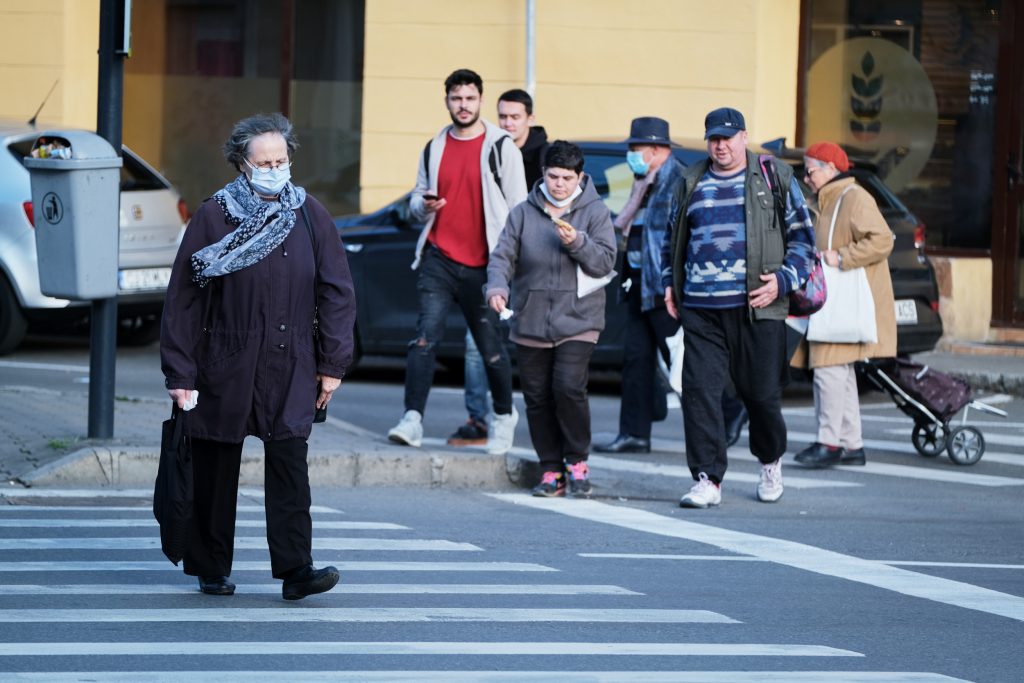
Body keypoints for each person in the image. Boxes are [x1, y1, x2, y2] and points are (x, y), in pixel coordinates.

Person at [160, 112, 357, 599]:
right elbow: (184, 297)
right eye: (263, 161)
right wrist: (180, 371)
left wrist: (333, 364)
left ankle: (297, 571)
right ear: (241, 165)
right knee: (216, 463)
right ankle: (210, 565)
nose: (274, 168)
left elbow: (337, 292)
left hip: (292, 362)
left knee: (290, 462)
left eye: (281, 159)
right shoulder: (215, 214)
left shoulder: (310, 213)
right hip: (225, 358)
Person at [662, 107, 816, 507]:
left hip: (758, 307)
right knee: (698, 392)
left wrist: (782, 281)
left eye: (728, 138)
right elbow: (671, 238)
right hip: (701, 308)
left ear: (744, 138)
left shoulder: (773, 176)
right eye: (714, 138)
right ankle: (707, 479)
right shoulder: (690, 179)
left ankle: (769, 459)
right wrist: (668, 284)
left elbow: (803, 239)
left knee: (761, 395)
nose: (720, 145)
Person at [387, 68, 527, 454]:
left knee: (490, 347)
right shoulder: (434, 146)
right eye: (455, 98)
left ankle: (502, 416)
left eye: (469, 98)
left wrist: (510, 265)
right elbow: (416, 199)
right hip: (439, 256)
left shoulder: (501, 147)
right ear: (446, 100)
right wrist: (423, 205)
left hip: (486, 263)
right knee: (424, 338)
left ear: (480, 100)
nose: (462, 106)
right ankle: (411, 419)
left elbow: (518, 209)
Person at [595, 116, 749, 455]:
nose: (631, 155)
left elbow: (678, 235)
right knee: (636, 359)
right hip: (638, 281)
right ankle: (634, 432)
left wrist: (675, 283)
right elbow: (627, 224)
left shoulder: (677, 179)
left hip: (665, 286)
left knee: (686, 358)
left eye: (636, 149)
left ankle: (732, 407)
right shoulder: (641, 180)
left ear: (655, 149)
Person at [487, 141, 616, 497]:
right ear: (543, 174)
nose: (559, 184)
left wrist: (578, 242)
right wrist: (497, 288)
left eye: (567, 178)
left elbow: (605, 261)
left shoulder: (595, 211)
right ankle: (550, 470)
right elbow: (502, 257)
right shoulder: (523, 212)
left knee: (568, 388)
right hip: (530, 319)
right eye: (553, 176)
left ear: (580, 177)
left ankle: (577, 461)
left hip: (579, 319)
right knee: (537, 397)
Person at [449, 88, 548, 447]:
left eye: (515, 118)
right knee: (478, 341)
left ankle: (538, 419)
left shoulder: (543, 158)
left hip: (535, 263)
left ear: (529, 119)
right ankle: (479, 418)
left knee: (537, 342)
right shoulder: (487, 147)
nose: (507, 123)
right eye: (502, 117)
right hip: (494, 261)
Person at [793, 142, 896, 468]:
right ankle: (852, 445)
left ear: (830, 168)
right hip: (835, 303)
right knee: (840, 372)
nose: (806, 178)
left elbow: (882, 239)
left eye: (810, 171)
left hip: (845, 303)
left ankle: (829, 442)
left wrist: (842, 257)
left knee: (828, 371)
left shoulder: (853, 197)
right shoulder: (827, 200)